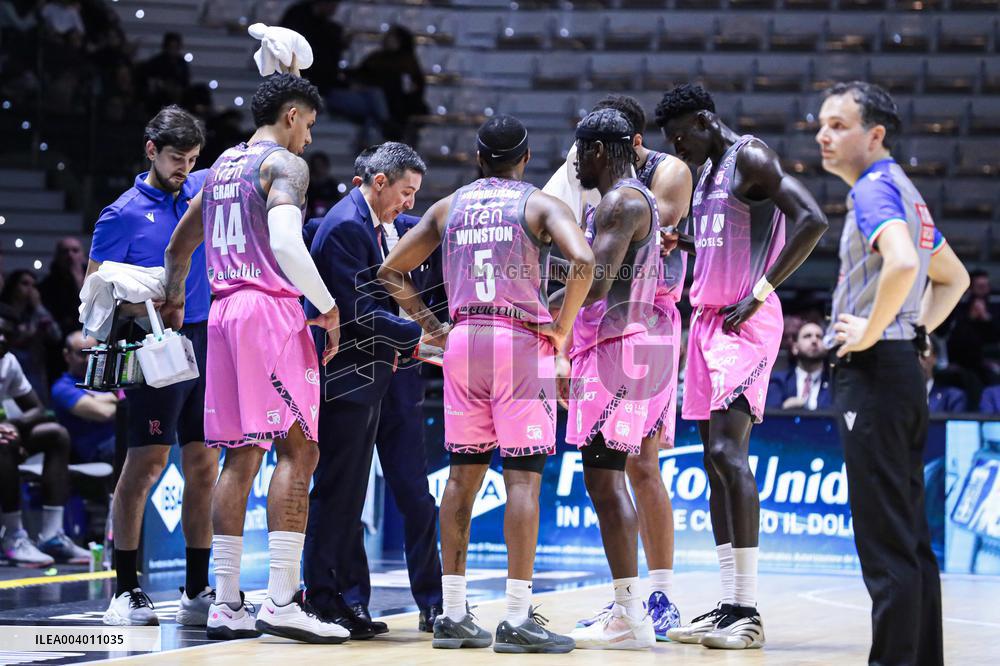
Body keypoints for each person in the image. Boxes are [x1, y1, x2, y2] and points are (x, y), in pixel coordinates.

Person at [379, 114, 594, 653]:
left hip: (464, 342)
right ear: (524, 160)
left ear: (478, 159)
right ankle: (519, 617)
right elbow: (585, 260)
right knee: (522, 481)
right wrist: (562, 329)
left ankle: (452, 614)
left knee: (461, 478)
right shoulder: (539, 204)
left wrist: (432, 326)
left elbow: (389, 272)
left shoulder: (448, 206)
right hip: (519, 341)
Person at [162, 72, 346, 644]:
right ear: (291, 115)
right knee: (301, 448)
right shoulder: (282, 166)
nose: (309, 141)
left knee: (240, 455)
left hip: (220, 317)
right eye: (309, 126)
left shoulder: (218, 168)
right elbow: (288, 245)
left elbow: (178, 247)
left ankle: (224, 604)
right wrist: (328, 305)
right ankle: (284, 601)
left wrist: (173, 299)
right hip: (268, 311)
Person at [655, 83, 828, 649]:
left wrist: (761, 290)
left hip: (744, 322)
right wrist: (684, 243)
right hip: (705, 323)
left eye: (682, 136)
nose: (678, 150)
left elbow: (811, 219)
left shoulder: (749, 156)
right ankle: (729, 603)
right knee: (712, 460)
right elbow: (724, 242)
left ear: (706, 120)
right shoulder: (704, 174)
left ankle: (748, 610)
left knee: (730, 453)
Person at [817, 80, 970, 666]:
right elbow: (950, 277)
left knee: (884, 545)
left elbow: (905, 263)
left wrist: (876, 331)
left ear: (874, 134)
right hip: (901, 369)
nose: (823, 135)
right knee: (909, 538)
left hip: (876, 372)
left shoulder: (874, 191)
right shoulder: (907, 191)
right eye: (822, 123)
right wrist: (916, 334)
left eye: (838, 125)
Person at [544, 94, 690, 640]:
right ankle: (632, 606)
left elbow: (597, 283)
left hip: (616, 348)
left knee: (605, 480)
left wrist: (542, 267)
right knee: (620, 474)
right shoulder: (632, 200)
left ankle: (630, 613)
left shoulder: (619, 203)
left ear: (599, 150)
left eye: (580, 152)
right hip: (640, 342)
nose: (574, 162)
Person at [303, 144, 445, 636]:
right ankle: (333, 599)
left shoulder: (402, 230)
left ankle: (430, 601)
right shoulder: (344, 225)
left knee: (412, 494)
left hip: (394, 376)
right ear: (379, 182)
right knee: (340, 493)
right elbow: (358, 310)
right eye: (406, 192)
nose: (410, 204)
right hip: (352, 376)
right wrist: (419, 336)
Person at [89, 105, 218, 628]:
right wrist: (144, 301)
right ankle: (125, 591)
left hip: (208, 341)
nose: (183, 168)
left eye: (191, 158)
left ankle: (196, 591)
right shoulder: (120, 214)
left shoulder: (201, 193)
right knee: (143, 466)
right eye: (174, 158)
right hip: (152, 348)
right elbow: (94, 298)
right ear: (150, 151)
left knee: (204, 466)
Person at [0, 314, 87, 567]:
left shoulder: (8, 362)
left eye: (7, 333)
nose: (3, 338)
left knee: (55, 435)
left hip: (6, 434)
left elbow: (37, 408)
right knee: (5, 444)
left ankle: (51, 536)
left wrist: (13, 426)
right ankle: (13, 536)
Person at [50, 331, 117, 465]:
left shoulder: (105, 380)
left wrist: (110, 399)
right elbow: (105, 413)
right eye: (82, 353)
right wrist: (117, 399)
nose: (89, 359)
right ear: (67, 355)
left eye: (94, 353)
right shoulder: (62, 388)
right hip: (95, 452)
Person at [355, 25, 428, 144]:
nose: (386, 39)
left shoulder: (408, 62)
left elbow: (413, 87)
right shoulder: (376, 58)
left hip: (402, 106)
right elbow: (361, 75)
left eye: (391, 36)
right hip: (376, 103)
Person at [0, 270, 62, 399]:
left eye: (33, 285)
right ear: (13, 286)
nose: (30, 289)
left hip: (34, 370)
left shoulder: (37, 314)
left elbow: (56, 335)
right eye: (24, 283)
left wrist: (39, 306)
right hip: (7, 367)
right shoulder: (4, 313)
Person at [765, 322, 832, 411]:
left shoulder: (833, 383)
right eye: (807, 336)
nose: (814, 340)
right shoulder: (778, 380)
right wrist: (784, 409)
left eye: (819, 337)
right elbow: (769, 416)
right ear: (795, 348)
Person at [39, 237, 87, 336]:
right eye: (65, 251)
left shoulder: (95, 279)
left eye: (75, 250)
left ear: (83, 255)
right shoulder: (47, 286)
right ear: (57, 257)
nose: (70, 255)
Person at [922, 342, 967, 413]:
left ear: (934, 358)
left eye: (923, 356)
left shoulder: (952, 397)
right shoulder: (900, 397)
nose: (919, 360)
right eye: (914, 356)